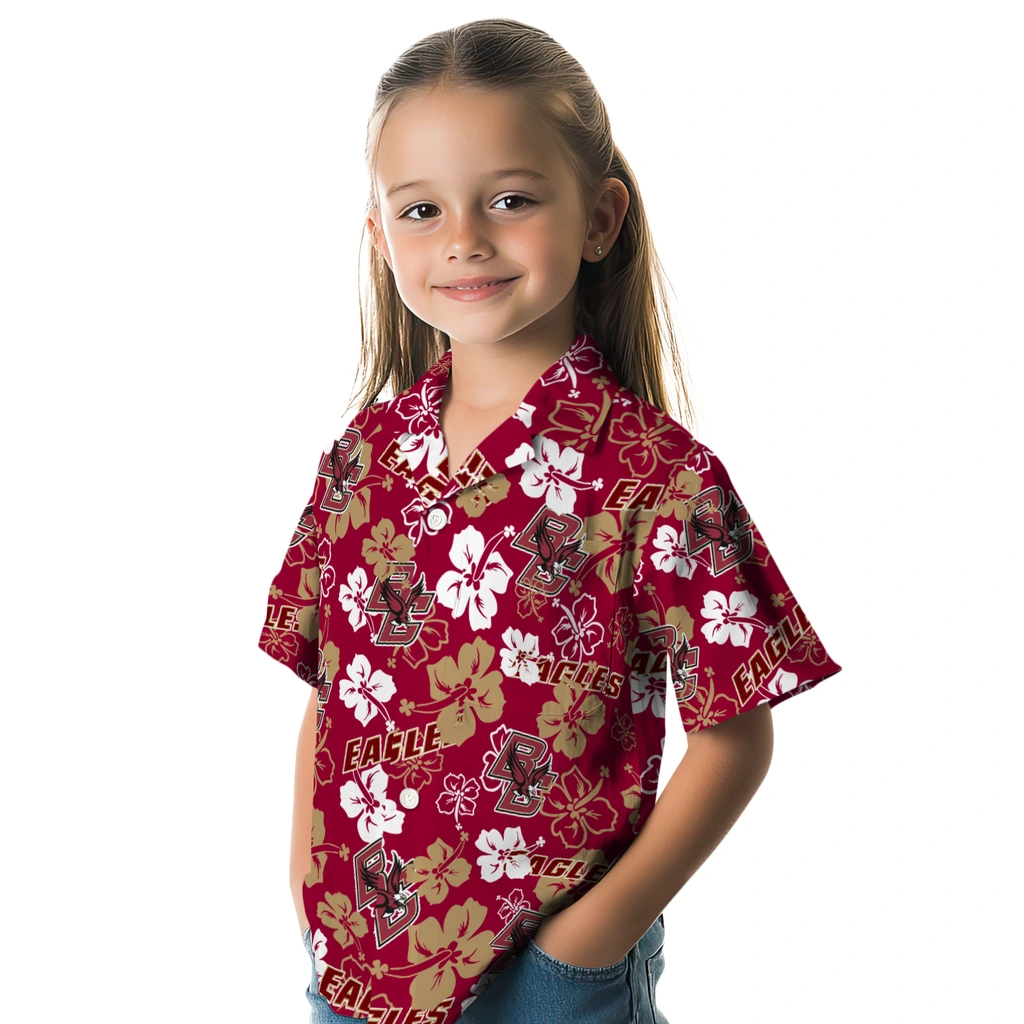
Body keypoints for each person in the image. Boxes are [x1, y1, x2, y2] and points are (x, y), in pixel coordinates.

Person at [257, 18, 843, 1024]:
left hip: (552, 975)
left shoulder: (657, 477)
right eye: (422, 209)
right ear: (380, 237)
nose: (464, 239)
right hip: (359, 953)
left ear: (599, 217)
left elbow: (735, 736)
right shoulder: (362, 459)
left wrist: (591, 937)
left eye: (511, 199)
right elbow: (332, 687)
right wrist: (306, 886)